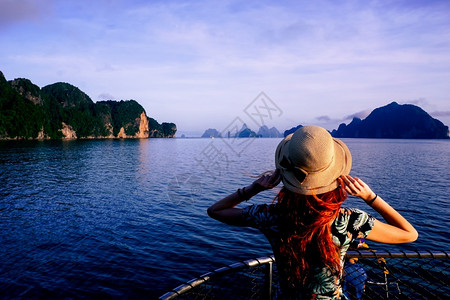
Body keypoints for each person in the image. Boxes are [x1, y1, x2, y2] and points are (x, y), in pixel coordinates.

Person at [207, 125, 417, 299]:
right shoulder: (351, 220)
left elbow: (216, 211)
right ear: (335, 173)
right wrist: (370, 197)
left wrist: (254, 188)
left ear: (285, 173)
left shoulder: (272, 216)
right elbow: (409, 234)